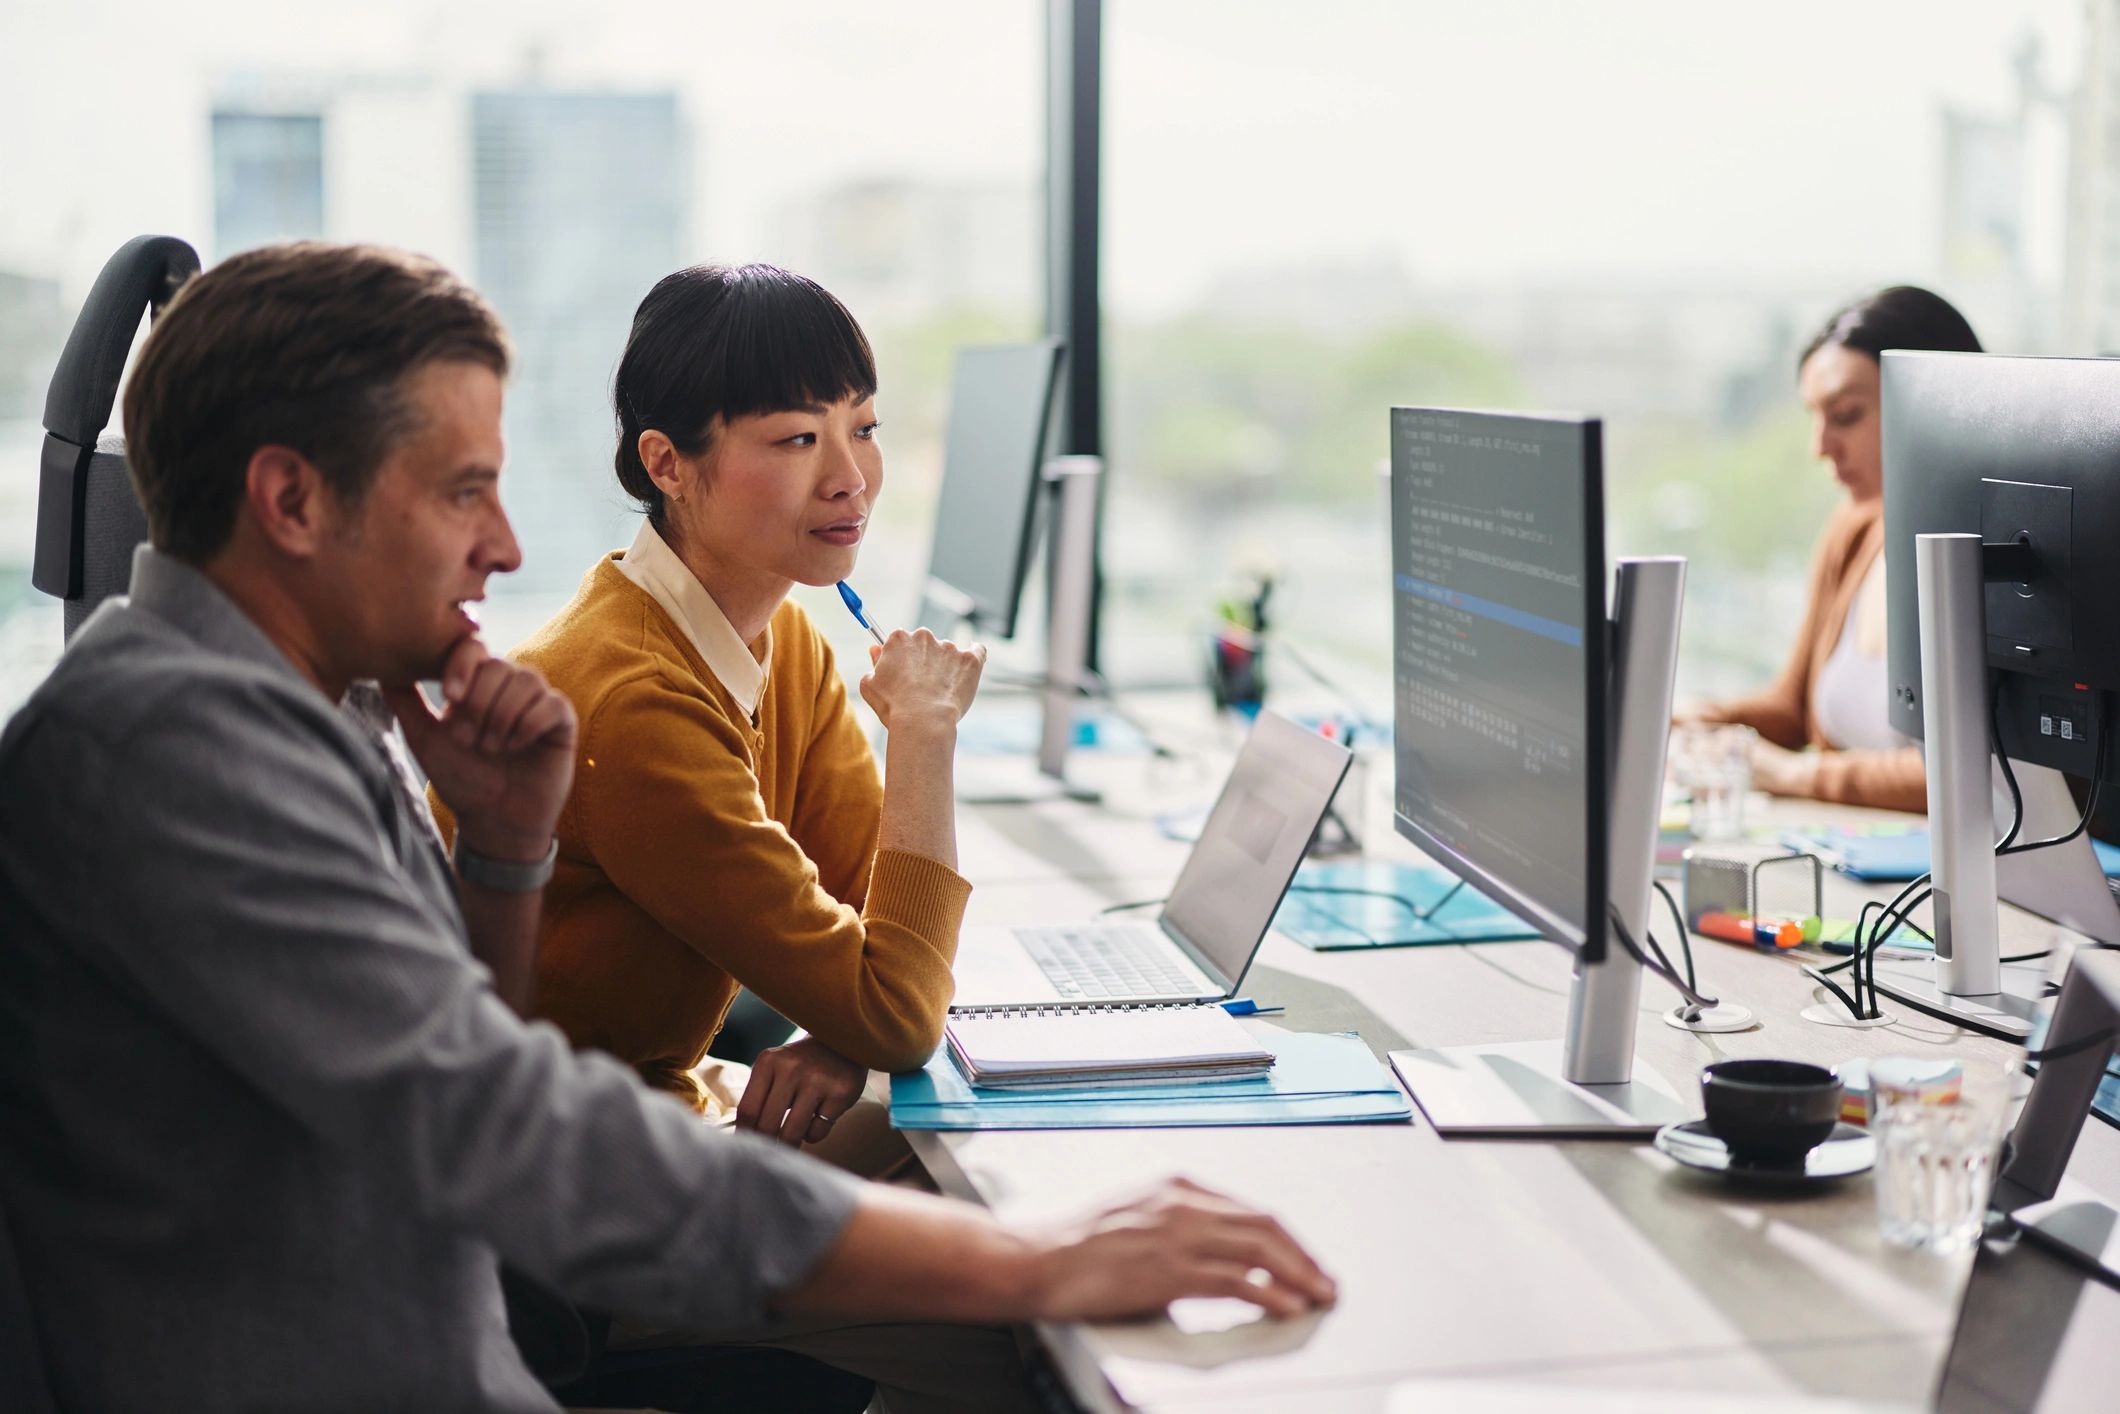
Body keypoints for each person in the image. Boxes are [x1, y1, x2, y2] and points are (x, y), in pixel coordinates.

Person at [0, 242, 1335, 1414]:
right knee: (1060, 1342)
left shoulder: (308, 711)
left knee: (1035, 1226)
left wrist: (512, 846)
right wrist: (1039, 1260)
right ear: (292, 501)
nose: (509, 547)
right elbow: (506, 1126)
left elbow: (464, 1043)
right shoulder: (178, 757)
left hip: (456, 1311)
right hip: (406, 1357)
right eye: (464, 491)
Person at [435, 264, 975, 1163]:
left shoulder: (784, 640)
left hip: (655, 1111)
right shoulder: (631, 702)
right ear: (667, 464)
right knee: (960, 1180)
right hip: (557, 1172)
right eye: (799, 438)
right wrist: (922, 734)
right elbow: (900, 1008)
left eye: (865, 428)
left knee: (942, 1145)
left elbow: (885, 937)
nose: (852, 478)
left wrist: (846, 1039)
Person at [1688, 285, 1982, 812]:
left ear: (1935, 405)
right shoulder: (1855, 532)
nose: (1820, 447)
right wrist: (1699, 719)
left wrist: (1797, 773)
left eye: (1845, 415)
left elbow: (1966, 774)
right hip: (1846, 858)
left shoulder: (1995, 566)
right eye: (1815, 418)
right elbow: (1794, 706)